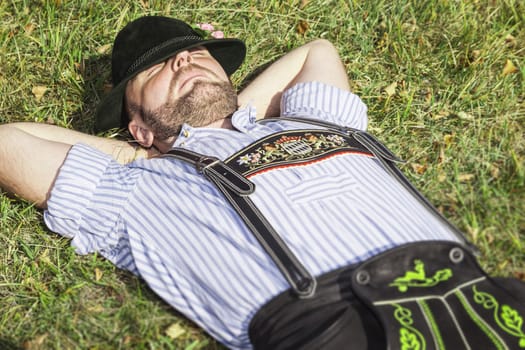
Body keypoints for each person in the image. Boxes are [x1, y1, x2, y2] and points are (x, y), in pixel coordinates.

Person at [1, 16, 523, 350]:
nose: (185, 57)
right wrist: (147, 149)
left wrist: (233, 118)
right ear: (137, 124)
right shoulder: (135, 186)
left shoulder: (314, 121)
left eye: (196, 52)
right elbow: (9, 139)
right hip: (337, 328)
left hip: (484, 295)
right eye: (160, 66)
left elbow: (317, 49)